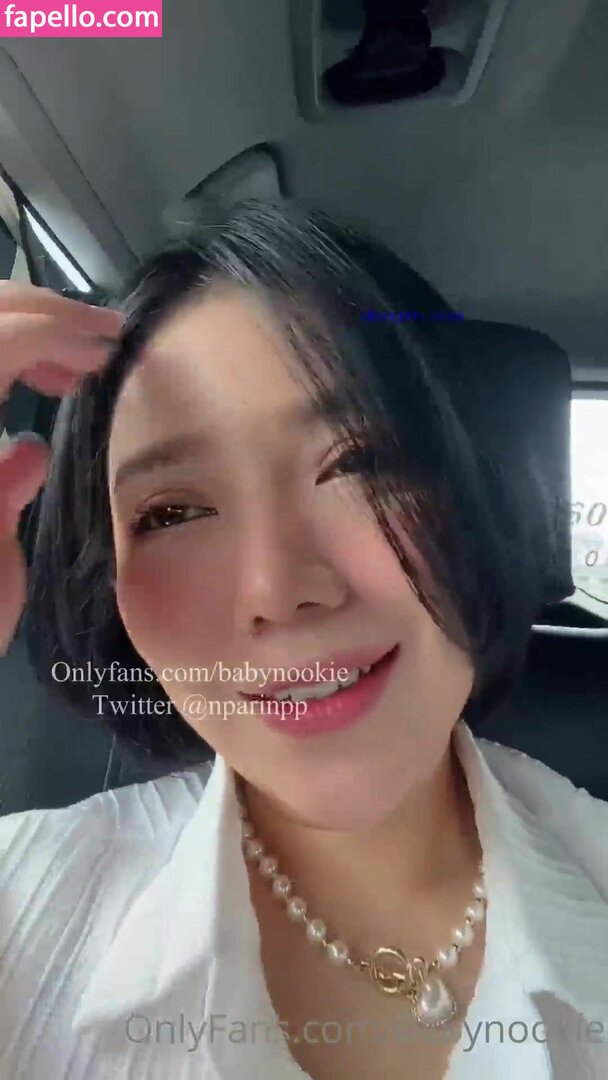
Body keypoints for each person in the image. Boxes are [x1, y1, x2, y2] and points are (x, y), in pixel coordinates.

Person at [0, 199, 606, 1080]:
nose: (277, 592)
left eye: (358, 463)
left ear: (478, 494)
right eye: (173, 512)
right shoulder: (22, 900)